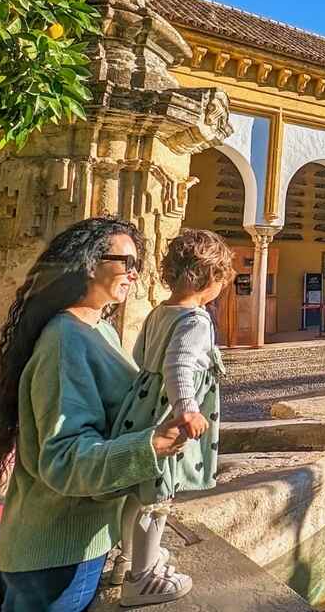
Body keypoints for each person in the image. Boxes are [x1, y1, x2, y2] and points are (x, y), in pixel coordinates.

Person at [0, 217, 191, 612]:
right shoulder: (65, 341)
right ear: (89, 264)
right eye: (125, 262)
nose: (134, 273)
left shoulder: (98, 329)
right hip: (54, 553)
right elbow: (63, 460)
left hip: (76, 540)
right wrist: (151, 445)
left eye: (137, 263)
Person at [113, 229, 234, 606]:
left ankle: (127, 559)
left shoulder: (159, 311)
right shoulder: (195, 320)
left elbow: (139, 354)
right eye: (221, 281)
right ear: (209, 279)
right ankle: (143, 580)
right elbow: (179, 364)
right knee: (158, 498)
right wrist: (187, 408)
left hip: (143, 408)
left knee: (137, 493)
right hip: (168, 418)